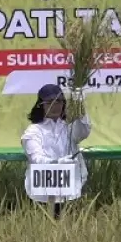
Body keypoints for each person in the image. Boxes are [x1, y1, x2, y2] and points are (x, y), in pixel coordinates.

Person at [20, 83, 90, 217]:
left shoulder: (68, 127)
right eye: (49, 102)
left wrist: (80, 105)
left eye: (58, 101)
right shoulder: (33, 131)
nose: (55, 106)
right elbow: (35, 158)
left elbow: (83, 131)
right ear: (41, 105)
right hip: (43, 193)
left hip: (70, 192)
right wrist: (56, 163)